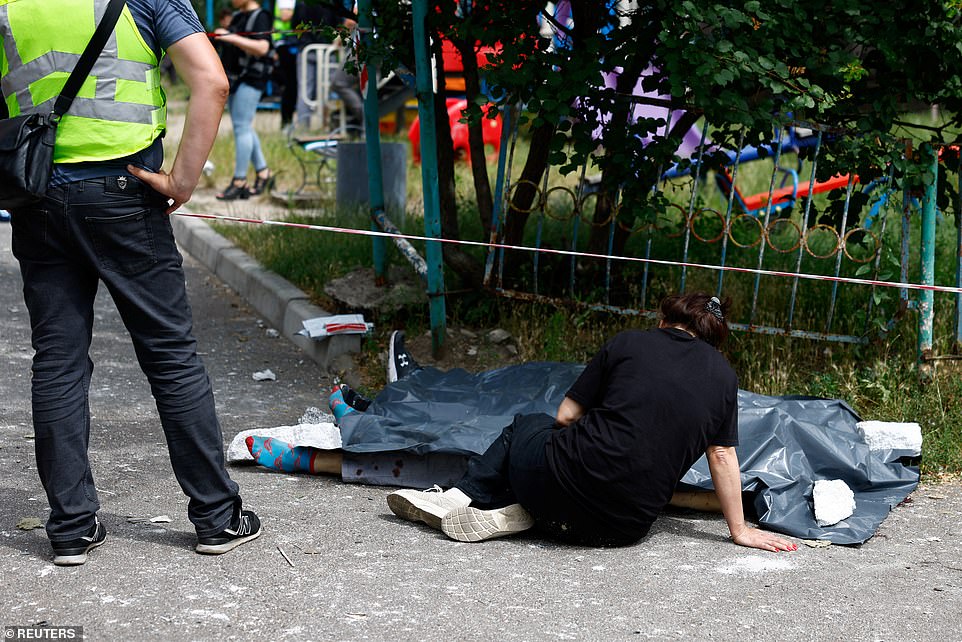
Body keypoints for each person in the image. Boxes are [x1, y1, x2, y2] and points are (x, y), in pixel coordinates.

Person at [1, 0, 261, 565]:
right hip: (126, 191)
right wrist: (182, 181)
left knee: (57, 360)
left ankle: (70, 528)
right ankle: (217, 517)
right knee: (170, 356)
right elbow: (211, 81)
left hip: (37, 196)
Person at [385, 293, 796, 550]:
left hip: (560, 482)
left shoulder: (630, 342)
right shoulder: (725, 377)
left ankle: (462, 495)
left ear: (665, 318)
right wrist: (740, 531)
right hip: (622, 528)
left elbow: (565, 415)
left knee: (527, 426)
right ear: (710, 337)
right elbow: (722, 455)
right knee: (563, 477)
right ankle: (533, 514)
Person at [214, 0, 276, 200]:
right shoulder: (239, 16)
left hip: (252, 78)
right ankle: (264, 173)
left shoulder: (262, 16)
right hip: (236, 79)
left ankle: (240, 181)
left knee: (242, 127)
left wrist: (230, 37)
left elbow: (262, 47)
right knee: (244, 127)